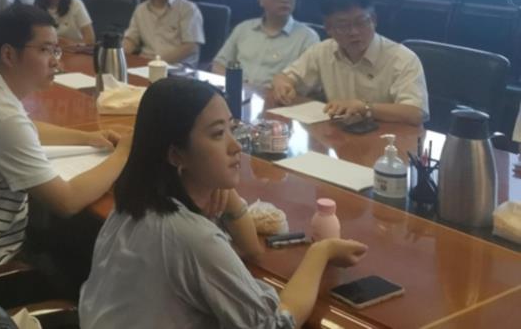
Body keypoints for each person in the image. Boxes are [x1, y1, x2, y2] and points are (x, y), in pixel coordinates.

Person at [79, 78, 367, 329]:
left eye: (232, 128)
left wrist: (230, 197)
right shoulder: (191, 236)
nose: (236, 145)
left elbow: (252, 250)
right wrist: (320, 252)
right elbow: (275, 325)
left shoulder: (136, 201)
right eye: (217, 134)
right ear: (176, 155)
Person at [0, 5, 132, 274]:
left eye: (56, 50)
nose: (55, 61)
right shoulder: (1, 116)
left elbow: (27, 127)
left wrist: (88, 138)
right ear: (9, 54)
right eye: (45, 50)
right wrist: (124, 152)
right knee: (91, 254)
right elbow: (67, 202)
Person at [271, 0, 429, 126]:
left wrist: (365, 108)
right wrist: (283, 85)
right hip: (341, 136)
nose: (354, 32)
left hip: (388, 139)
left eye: (361, 23)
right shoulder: (322, 51)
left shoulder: (402, 58)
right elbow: (285, 77)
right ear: (329, 28)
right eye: (343, 25)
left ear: (374, 20)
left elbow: (416, 113)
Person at [212, 0, 319, 87]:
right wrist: (237, 87)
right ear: (261, 0)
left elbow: (311, 82)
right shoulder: (243, 28)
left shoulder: (308, 37)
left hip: (277, 95)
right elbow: (219, 64)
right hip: (239, 91)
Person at [123, 0, 204, 66]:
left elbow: (191, 46)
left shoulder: (188, 9)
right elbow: (131, 39)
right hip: (145, 64)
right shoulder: (141, 10)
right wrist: (118, 52)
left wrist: (157, 63)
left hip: (177, 67)